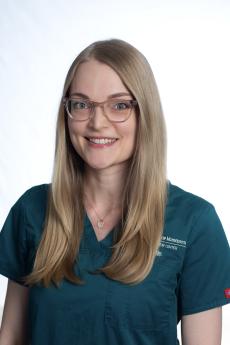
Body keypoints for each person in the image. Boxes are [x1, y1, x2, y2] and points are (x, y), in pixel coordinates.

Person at [0, 38, 229, 345]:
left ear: (144, 113)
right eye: (81, 104)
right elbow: (11, 336)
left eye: (119, 105)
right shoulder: (33, 210)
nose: (97, 122)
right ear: (66, 112)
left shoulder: (195, 223)